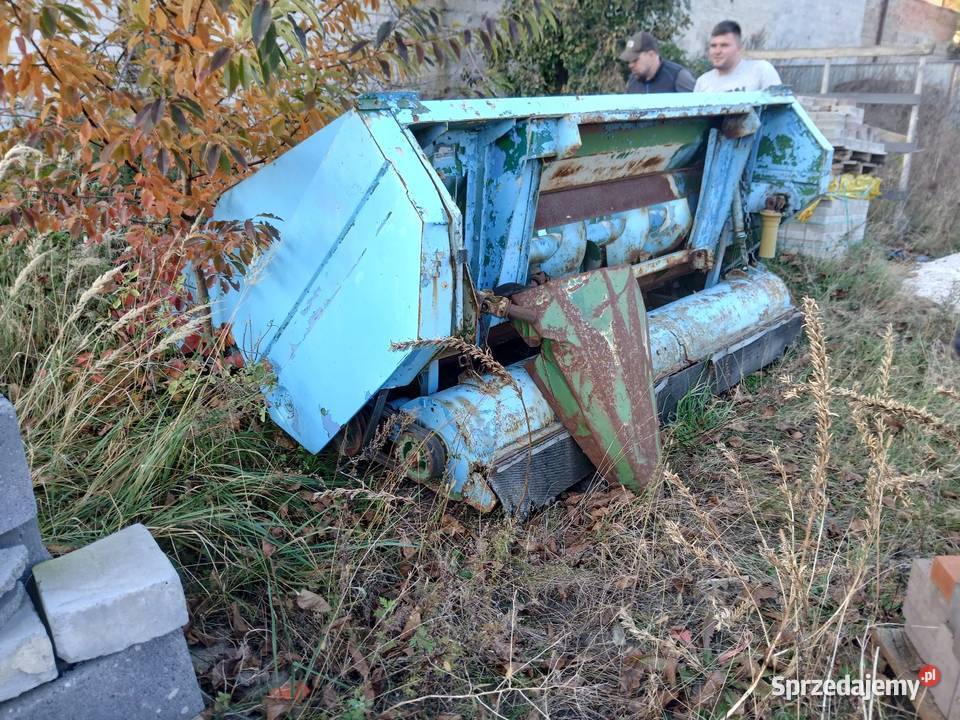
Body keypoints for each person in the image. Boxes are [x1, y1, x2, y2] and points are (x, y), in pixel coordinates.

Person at [694, 21, 782, 93]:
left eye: (724, 45)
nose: (717, 51)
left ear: (739, 48)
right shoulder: (702, 82)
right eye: (713, 46)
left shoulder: (761, 71)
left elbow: (780, 110)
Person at [619, 31, 695, 94]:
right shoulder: (632, 81)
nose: (630, 65)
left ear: (651, 55)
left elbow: (699, 107)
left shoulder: (677, 76)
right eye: (629, 61)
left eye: (635, 60)